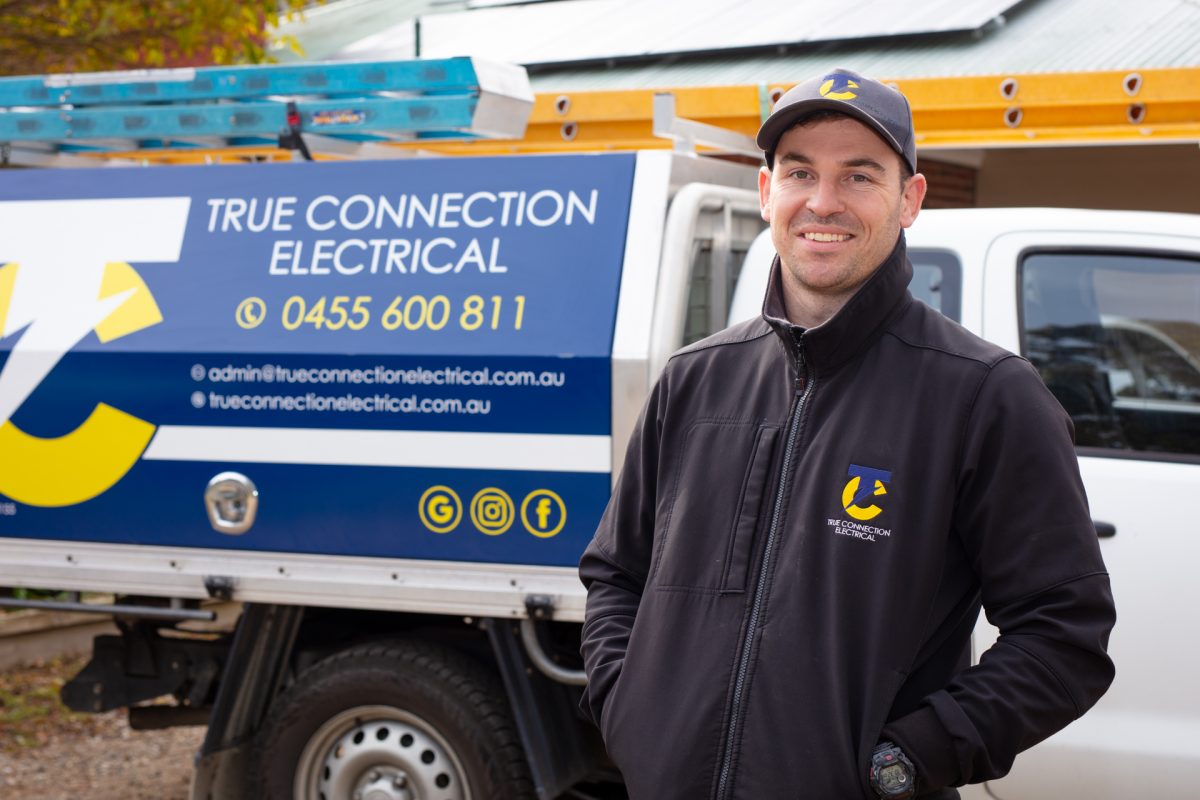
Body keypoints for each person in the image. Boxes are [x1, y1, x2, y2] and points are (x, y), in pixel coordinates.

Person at [578, 68, 1115, 799]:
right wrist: (628, 711)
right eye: (800, 171)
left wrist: (906, 761)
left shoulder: (985, 395)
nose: (822, 202)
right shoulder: (695, 379)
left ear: (909, 199)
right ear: (767, 191)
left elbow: (1065, 637)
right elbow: (616, 575)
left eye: (859, 175)